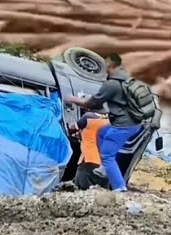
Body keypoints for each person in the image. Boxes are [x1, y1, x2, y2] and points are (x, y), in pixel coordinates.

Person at [66, 53, 158, 192]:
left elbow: (92, 103)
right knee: (102, 132)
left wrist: (72, 99)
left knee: (108, 155)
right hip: (135, 124)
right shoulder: (127, 80)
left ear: (109, 65)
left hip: (123, 125)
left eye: (105, 64)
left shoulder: (111, 85)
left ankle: (120, 188)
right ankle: (104, 168)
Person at [72, 113, 110, 190]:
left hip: (89, 163)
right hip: (105, 165)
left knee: (81, 193)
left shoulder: (88, 118)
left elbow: (71, 128)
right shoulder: (110, 122)